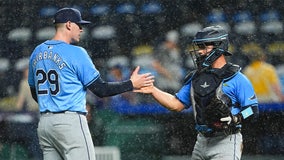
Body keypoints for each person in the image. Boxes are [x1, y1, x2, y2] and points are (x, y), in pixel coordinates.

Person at [28, 7, 154, 160]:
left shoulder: (37, 52)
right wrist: (131, 84)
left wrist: (53, 104)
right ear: (68, 24)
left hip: (45, 124)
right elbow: (100, 90)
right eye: (79, 25)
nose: (81, 29)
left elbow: (35, 93)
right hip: (69, 122)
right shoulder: (76, 52)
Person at [136, 25, 259, 160]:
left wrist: (236, 118)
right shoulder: (196, 77)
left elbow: (252, 109)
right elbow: (176, 104)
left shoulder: (237, 78)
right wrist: (153, 90)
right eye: (199, 47)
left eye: (204, 47)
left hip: (226, 140)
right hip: (201, 140)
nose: (200, 52)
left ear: (219, 46)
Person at [152, 30, 184, 94]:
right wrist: (168, 75)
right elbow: (155, 64)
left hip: (175, 80)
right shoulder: (162, 49)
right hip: (164, 81)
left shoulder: (176, 50)